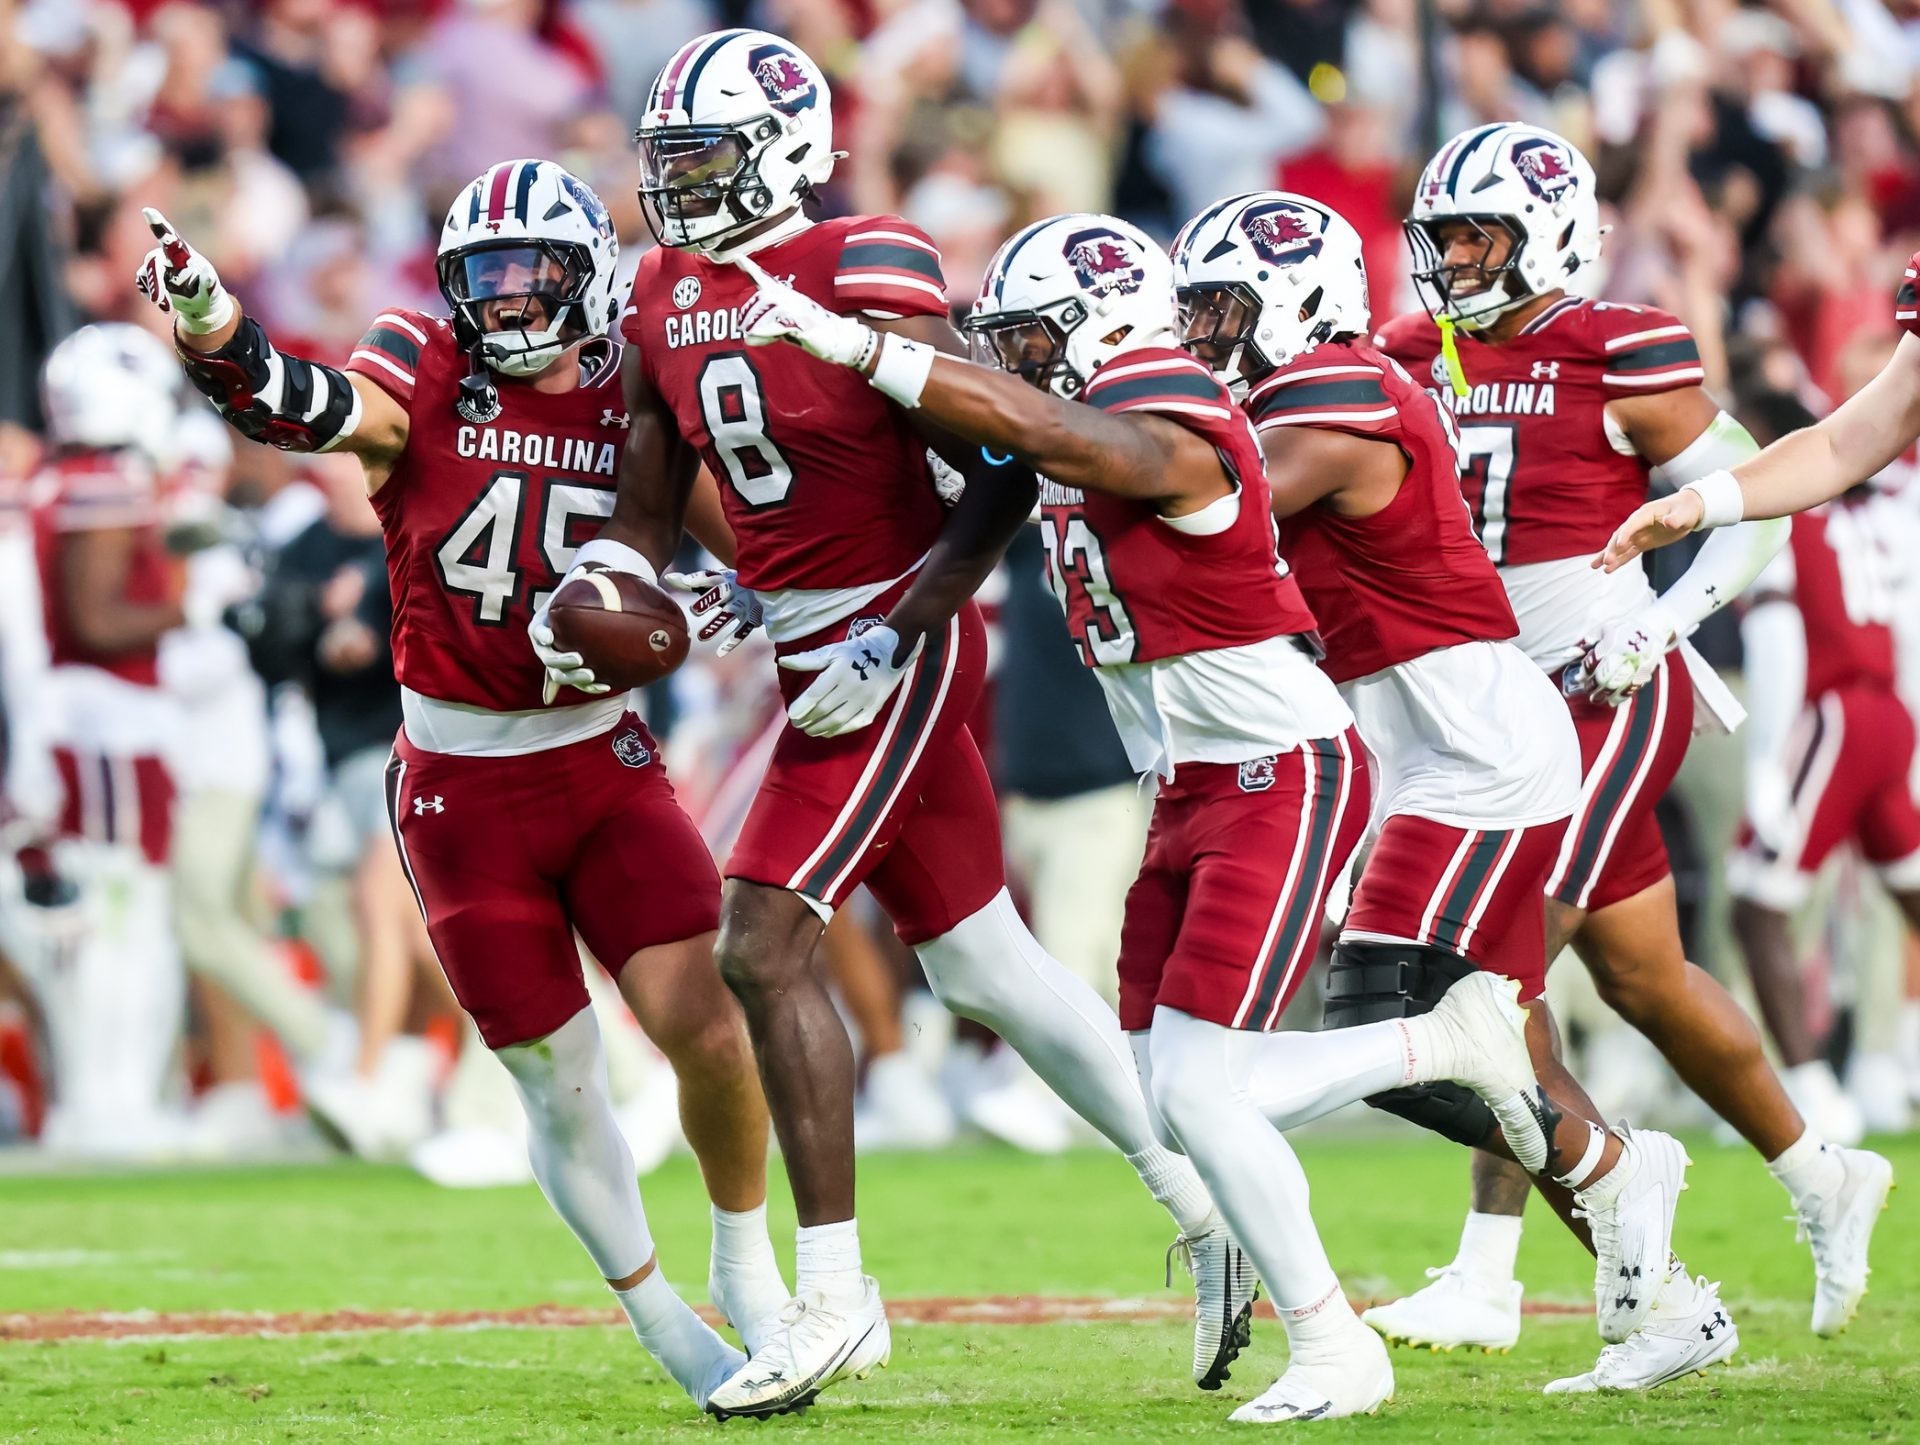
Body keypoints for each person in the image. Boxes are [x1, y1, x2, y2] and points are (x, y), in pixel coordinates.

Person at [735, 207, 1562, 1423]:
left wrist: (867, 350)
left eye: (1025, 336)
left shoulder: (1175, 411)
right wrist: (889, 627)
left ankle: (1428, 1085)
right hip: (1188, 783)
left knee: (1197, 1091)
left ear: (1101, 319)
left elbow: (1053, 431)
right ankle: (1320, 1316)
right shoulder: (1081, 421)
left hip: (1280, 771)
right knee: (1168, 1086)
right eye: (999, 338)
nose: (1009, 358)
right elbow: (996, 492)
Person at [534, 28, 1249, 1419]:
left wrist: (908, 616)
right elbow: (647, 482)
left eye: (703, 158)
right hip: (810, 641)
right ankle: (1207, 1198)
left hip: (895, 637)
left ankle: (837, 1291)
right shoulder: (668, 286)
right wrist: (637, 575)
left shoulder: (862, 260)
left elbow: (1005, 448)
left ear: (788, 148)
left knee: (763, 937)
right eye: (665, 158)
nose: (674, 186)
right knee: (984, 964)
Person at [135, 159, 786, 1412]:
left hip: (600, 755)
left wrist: (729, 595)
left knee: (705, 1018)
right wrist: (217, 324)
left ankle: (749, 1268)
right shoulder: (425, 373)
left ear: (587, 267)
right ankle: (663, 1319)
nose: (506, 298)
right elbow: (299, 403)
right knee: (558, 1071)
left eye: (531, 270)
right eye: (483, 274)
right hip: (461, 781)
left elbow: (756, 543)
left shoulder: (637, 388)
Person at [1173, 191, 1729, 1392]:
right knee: (1429, 1031)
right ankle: (1658, 1273)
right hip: (1421, 740)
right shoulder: (1284, 393)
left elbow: (1215, 517)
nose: (1201, 332)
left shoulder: (1333, 391)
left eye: (1219, 306)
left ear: (1294, 297)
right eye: (1192, 309)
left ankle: (1624, 1185)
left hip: (1477, 741)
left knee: (1430, 1030)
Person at [1372, 122, 1889, 1354]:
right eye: (1440, 234)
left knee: (1487, 977)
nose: (1451, 258)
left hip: (1603, 688)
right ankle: (1822, 1171)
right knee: (1643, 976)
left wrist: (1662, 626)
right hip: (1491, 704)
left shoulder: (1620, 348)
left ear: (1546, 232)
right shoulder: (1406, 349)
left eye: (1475, 233)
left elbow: (1754, 503)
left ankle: (1504, 1274)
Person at [30, 324, 192, 1157]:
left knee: (115, 918)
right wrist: (197, 607)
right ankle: (110, 1101)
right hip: (107, 725)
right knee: (122, 918)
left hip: (81, 722)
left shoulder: (59, 478)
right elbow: (97, 619)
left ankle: (107, 1099)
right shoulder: (102, 481)